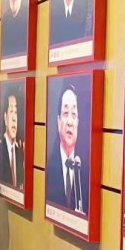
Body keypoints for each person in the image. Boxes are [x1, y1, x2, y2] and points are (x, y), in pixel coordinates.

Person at [46, 85, 87, 214]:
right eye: (65, 113)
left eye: (73, 114)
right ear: (58, 121)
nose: (70, 122)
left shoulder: (86, 171)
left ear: (78, 122)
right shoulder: (48, 166)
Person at [0, 92, 25, 189]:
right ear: (5, 118)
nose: (14, 119)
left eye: (16, 112)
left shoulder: (20, 152)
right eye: (11, 111)